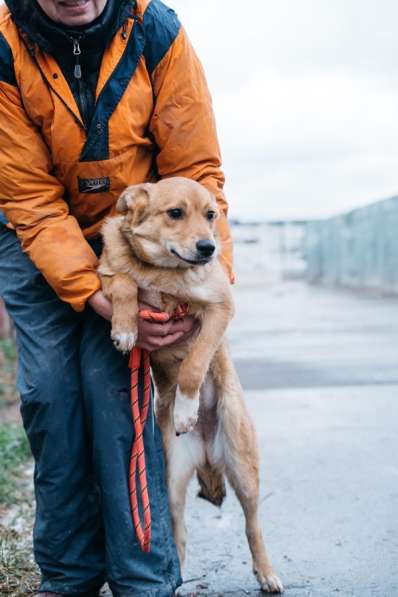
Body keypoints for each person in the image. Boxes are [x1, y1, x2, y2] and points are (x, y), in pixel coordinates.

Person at [0, 0, 233, 595]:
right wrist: (91, 294)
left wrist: (200, 286)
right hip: (36, 231)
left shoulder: (156, 32)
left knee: (118, 398)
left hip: (140, 232)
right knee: (50, 396)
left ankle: (143, 578)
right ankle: (69, 574)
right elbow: (28, 197)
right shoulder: (5, 45)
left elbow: (197, 170)